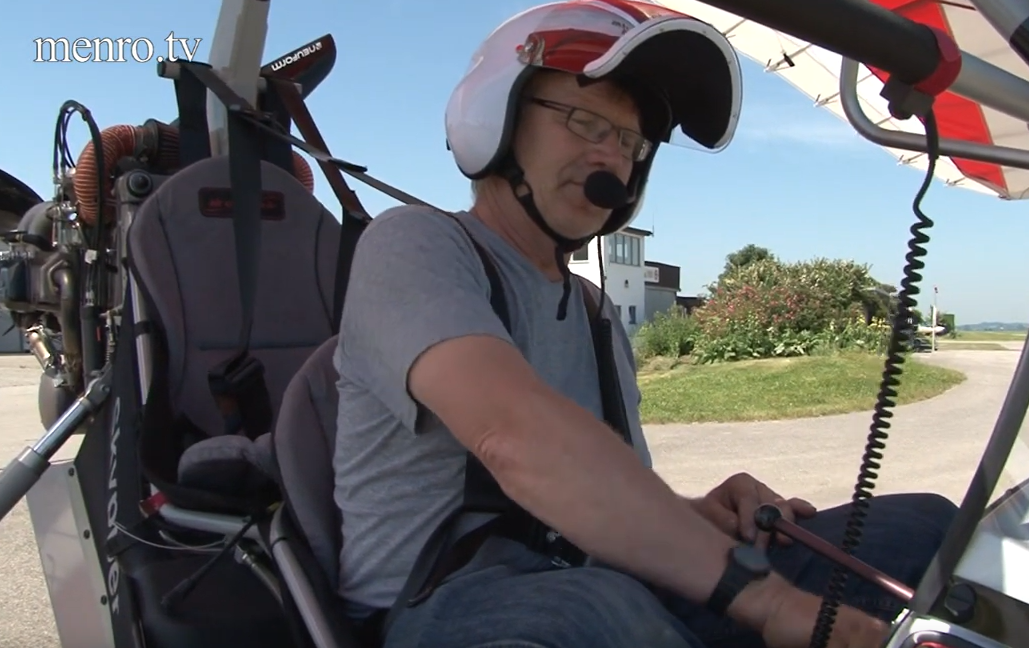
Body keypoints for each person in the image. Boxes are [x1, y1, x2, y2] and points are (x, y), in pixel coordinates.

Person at [331, 0, 958, 646]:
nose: (613, 159)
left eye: (631, 143)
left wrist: (701, 518)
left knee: (923, 530)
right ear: (499, 118)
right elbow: (513, 437)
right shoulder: (414, 246)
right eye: (584, 121)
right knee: (605, 610)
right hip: (441, 602)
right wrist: (767, 602)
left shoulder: (595, 311)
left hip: (593, 581)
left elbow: (594, 497)